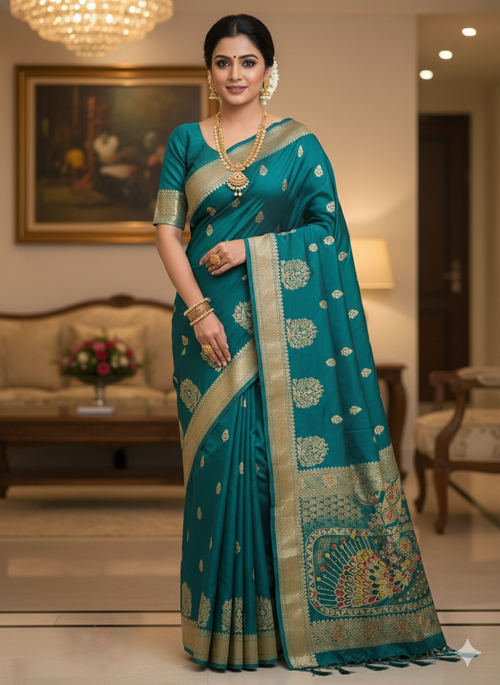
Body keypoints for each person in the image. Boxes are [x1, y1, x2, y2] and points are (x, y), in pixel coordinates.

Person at [154, 14, 458, 674]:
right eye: (224, 62)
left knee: (269, 465)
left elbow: (329, 233)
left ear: (268, 69)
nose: (235, 74)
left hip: (277, 329)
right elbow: (166, 235)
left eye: (248, 61)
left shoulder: (300, 145)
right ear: (208, 70)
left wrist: (251, 249)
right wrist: (200, 310)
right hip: (205, 326)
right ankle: (221, 633)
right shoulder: (187, 140)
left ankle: (279, 629)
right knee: (219, 470)